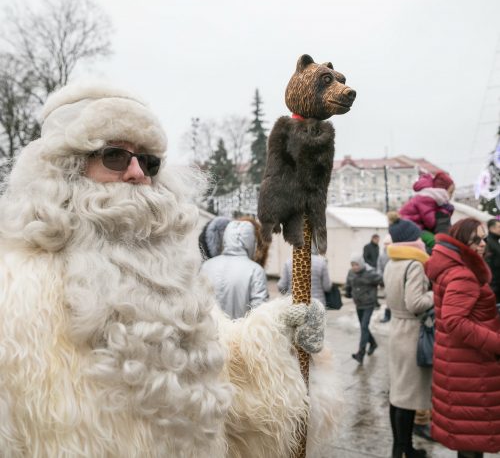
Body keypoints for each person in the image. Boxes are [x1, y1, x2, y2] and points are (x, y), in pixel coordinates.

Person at [0, 82, 340, 457]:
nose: (136, 173)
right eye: (114, 156)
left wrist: (276, 339)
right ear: (66, 169)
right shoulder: (12, 287)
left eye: (149, 162)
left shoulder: (170, 279)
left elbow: (220, 392)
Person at [425, 218, 500, 457]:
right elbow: (455, 321)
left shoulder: (451, 268)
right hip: (471, 366)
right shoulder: (463, 274)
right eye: (475, 239)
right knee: (472, 438)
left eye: (484, 238)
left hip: (459, 363)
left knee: (468, 439)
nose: (482, 244)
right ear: (462, 240)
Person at [383, 215, 433, 458]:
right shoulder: (413, 265)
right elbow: (416, 303)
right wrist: (437, 295)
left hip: (396, 329)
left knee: (398, 393)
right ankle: (405, 449)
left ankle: (399, 447)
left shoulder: (392, 263)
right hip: (411, 332)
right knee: (408, 396)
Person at [201, 219, 269, 319]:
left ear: (226, 237)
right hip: (240, 334)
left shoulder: (207, 266)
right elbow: (259, 314)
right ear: (250, 241)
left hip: (209, 333)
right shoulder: (255, 271)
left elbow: (198, 304)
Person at [399, 171, 455, 250]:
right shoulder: (427, 198)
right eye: (450, 192)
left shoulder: (426, 196)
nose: (451, 196)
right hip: (411, 229)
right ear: (443, 191)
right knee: (433, 241)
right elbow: (430, 221)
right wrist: (441, 212)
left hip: (410, 226)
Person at [345, 255, 383, 364]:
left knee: (364, 327)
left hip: (368, 304)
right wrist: (348, 292)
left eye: (356, 264)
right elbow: (348, 284)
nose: (354, 267)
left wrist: (378, 289)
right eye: (352, 265)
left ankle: (360, 354)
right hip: (358, 303)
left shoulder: (370, 273)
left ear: (361, 264)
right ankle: (373, 343)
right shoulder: (351, 273)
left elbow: (382, 279)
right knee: (364, 327)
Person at [485, 217, 500, 304]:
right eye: (499, 227)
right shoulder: (488, 242)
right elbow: (488, 264)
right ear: (491, 228)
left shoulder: (496, 242)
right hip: (493, 286)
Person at [378, 233, 392, 323]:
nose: (386, 245)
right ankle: (387, 315)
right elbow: (379, 267)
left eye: (388, 243)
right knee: (387, 299)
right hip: (386, 281)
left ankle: (392, 315)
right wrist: (381, 279)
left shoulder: (394, 255)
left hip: (394, 280)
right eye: (385, 243)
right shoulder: (382, 256)